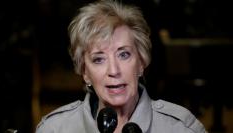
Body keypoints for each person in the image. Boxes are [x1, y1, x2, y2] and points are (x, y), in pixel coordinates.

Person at [35, 0, 207, 133]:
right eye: (98, 59)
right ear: (85, 72)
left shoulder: (181, 128)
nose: (114, 71)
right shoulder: (54, 128)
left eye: (123, 55)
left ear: (141, 63)